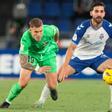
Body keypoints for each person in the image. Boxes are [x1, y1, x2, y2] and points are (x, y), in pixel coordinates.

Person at [57, 1, 112, 112]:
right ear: (91, 13)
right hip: (79, 58)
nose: (99, 14)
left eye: (101, 11)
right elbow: (71, 48)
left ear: (104, 14)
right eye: (96, 11)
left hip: (97, 57)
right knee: (57, 77)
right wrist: (64, 66)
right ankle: (41, 101)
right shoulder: (83, 26)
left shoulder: (108, 26)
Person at [0, 18, 59, 108]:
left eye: (40, 31)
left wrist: (56, 41)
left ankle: (52, 89)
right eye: (36, 32)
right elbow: (23, 61)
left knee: (52, 84)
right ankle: (7, 101)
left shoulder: (49, 30)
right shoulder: (25, 38)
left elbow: (56, 30)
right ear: (30, 29)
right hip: (32, 56)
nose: (39, 34)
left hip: (47, 54)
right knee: (23, 82)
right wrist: (37, 68)